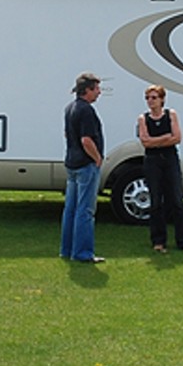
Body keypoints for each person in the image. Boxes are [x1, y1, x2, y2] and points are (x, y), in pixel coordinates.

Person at [137, 85, 183, 253]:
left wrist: (156, 141)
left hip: (170, 160)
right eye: (148, 98)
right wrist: (164, 138)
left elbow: (177, 138)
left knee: (176, 200)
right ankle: (158, 240)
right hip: (152, 162)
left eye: (154, 98)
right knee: (155, 202)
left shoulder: (171, 115)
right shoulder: (143, 119)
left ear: (162, 99)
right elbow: (145, 142)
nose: (150, 101)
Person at [60, 72, 105, 263]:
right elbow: (86, 139)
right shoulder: (86, 110)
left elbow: (66, 134)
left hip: (72, 163)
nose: (99, 93)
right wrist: (97, 158)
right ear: (87, 90)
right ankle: (82, 253)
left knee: (70, 208)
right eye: (96, 89)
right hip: (85, 165)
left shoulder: (70, 108)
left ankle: (67, 249)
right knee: (85, 210)